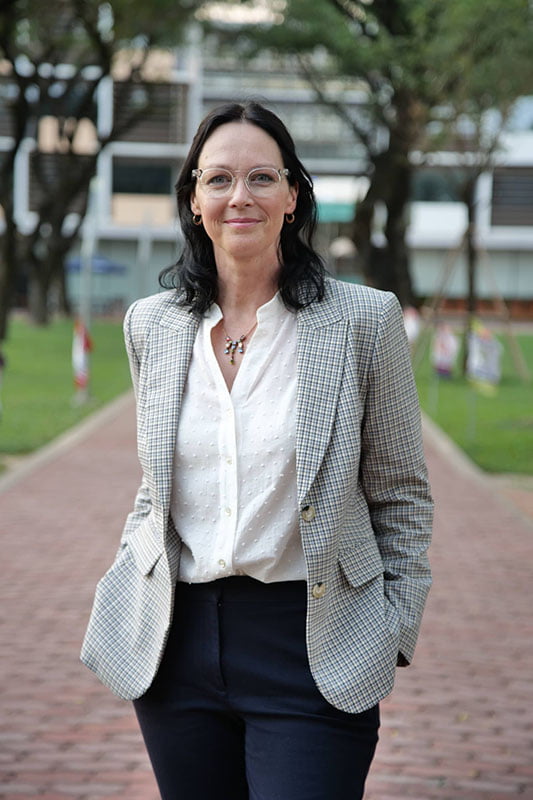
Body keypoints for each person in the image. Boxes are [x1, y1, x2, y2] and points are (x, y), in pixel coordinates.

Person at [81, 101, 433, 800]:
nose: (239, 196)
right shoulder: (151, 325)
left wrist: (392, 627)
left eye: (261, 178)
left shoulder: (364, 320)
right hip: (175, 642)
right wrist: (129, 569)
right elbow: (155, 486)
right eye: (218, 180)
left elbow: (401, 492)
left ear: (292, 195)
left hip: (312, 640)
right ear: (193, 199)